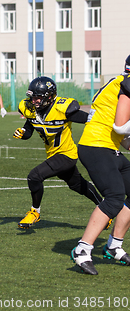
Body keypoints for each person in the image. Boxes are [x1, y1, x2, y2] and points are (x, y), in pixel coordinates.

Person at [13, 77, 103, 229]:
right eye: (32, 97)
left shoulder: (62, 109)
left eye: (37, 97)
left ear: (49, 97)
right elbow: (29, 129)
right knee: (77, 185)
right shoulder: (31, 110)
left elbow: (89, 119)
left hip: (66, 155)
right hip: (53, 155)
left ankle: (35, 212)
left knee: (34, 176)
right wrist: (23, 133)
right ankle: (104, 208)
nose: (33, 101)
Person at [71, 55, 130, 275]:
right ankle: (82, 250)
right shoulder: (127, 84)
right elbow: (121, 126)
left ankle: (114, 245)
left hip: (107, 145)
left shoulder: (119, 82)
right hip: (96, 146)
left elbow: (113, 127)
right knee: (114, 197)